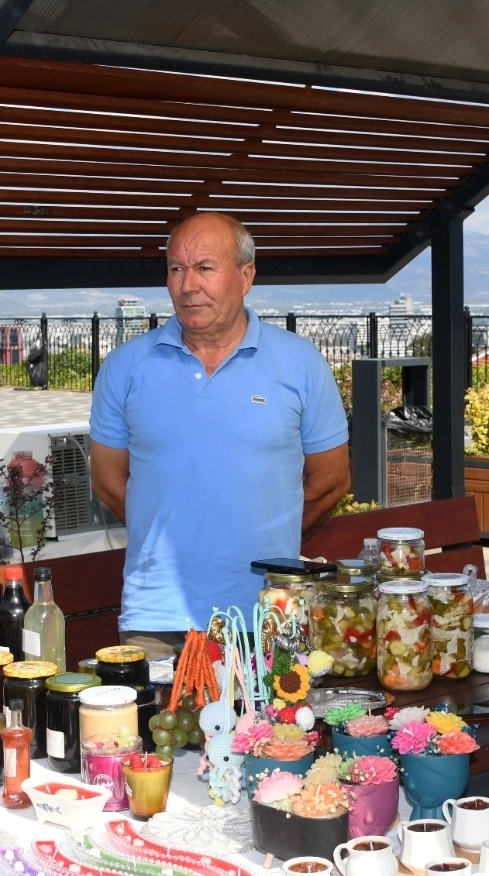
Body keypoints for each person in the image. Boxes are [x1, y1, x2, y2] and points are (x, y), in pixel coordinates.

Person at [89, 212, 350, 658]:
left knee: (275, 710)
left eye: (205, 268)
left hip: (267, 613)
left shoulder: (300, 363)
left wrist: (267, 539)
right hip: (156, 620)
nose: (188, 285)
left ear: (246, 276)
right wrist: (173, 537)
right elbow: (109, 483)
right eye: (176, 268)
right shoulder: (124, 367)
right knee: (155, 708)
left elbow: (331, 481)